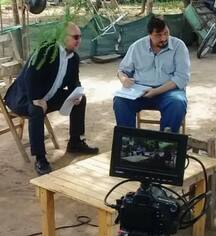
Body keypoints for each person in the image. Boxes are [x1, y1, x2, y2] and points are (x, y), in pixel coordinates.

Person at [4, 22, 99, 175]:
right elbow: (29, 75)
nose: (79, 40)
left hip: (49, 95)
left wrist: (77, 93)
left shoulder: (74, 57)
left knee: (81, 100)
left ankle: (75, 142)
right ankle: (40, 158)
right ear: (63, 37)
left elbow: (74, 81)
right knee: (36, 110)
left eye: (80, 37)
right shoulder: (46, 51)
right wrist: (35, 98)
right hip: (25, 96)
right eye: (75, 37)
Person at [113, 16, 190, 133]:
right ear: (149, 34)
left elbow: (182, 78)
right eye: (158, 35)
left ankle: (166, 143)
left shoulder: (179, 46)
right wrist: (123, 79)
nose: (164, 38)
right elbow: (122, 70)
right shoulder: (137, 47)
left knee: (178, 103)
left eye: (166, 33)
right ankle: (129, 142)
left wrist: (156, 91)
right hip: (140, 92)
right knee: (120, 101)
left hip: (168, 91)